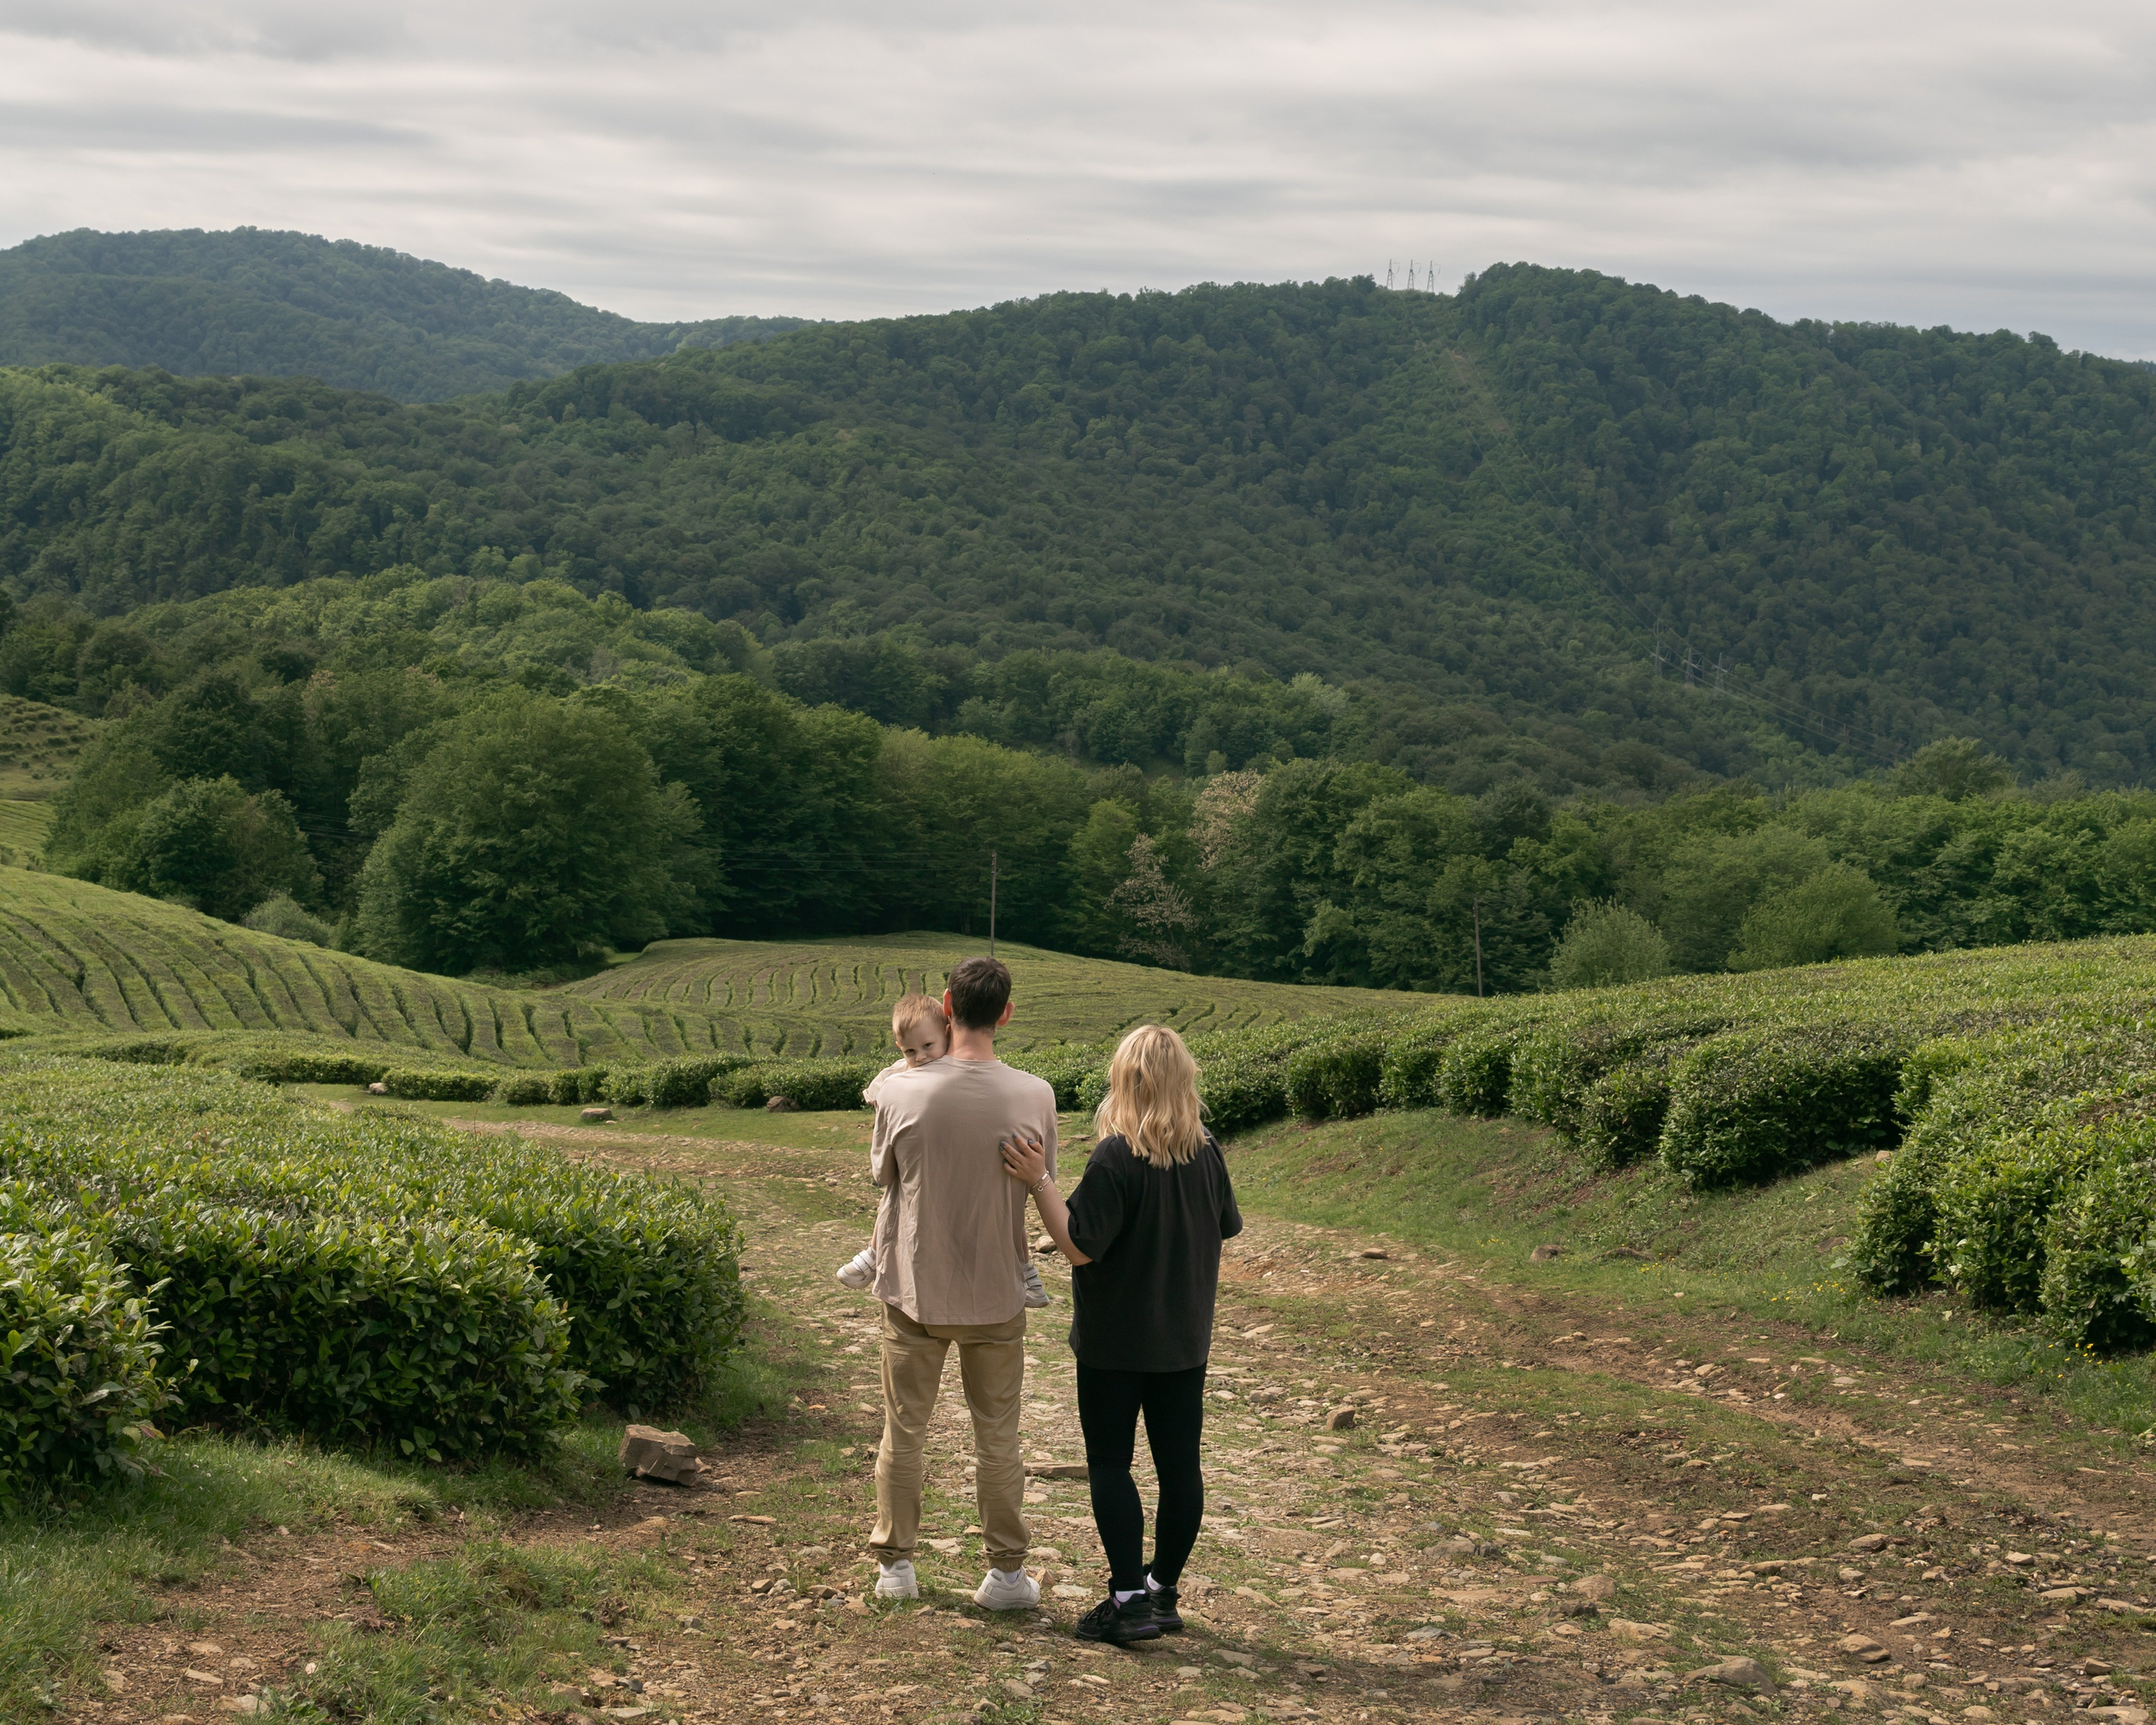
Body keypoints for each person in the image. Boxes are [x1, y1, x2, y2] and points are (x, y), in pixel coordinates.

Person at [1001, 1023, 1241, 1646]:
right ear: (1183, 1082)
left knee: (1111, 1464)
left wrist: (1039, 1181)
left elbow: (1079, 1246)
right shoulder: (1206, 1151)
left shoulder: (1116, 1155)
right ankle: (1163, 1593)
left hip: (1114, 1342)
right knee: (1180, 1468)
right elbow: (1226, 1227)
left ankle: (1128, 1601)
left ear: (1124, 1081)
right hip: (1184, 1341)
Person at [865, 955, 1059, 1609]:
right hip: (997, 1291)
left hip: (915, 1287)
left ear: (947, 1006)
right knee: (998, 1438)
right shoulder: (1036, 1094)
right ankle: (1007, 1575)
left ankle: (897, 1567)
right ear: (1006, 1013)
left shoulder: (899, 1090)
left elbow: (882, 1177)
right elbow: (1039, 1183)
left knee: (904, 1431)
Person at [836, 992, 1050, 1309]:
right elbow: (883, 1169)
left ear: (948, 1029)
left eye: (927, 1047)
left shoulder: (961, 1071)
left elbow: (881, 1171)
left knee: (1003, 1204)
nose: (920, 1056)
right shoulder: (899, 1077)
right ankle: (875, 1250)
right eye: (911, 1050)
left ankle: (1025, 1266)